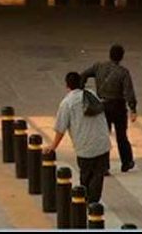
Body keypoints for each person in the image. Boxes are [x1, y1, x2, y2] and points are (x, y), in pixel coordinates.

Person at [44, 72, 111, 203]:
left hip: (85, 147)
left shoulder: (67, 103)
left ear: (67, 85)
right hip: (102, 143)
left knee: (85, 177)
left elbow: (60, 129)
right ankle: (94, 203)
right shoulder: (92, 94)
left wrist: (53, 146)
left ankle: (86, 204)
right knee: (98, 176)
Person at [80, 44, 137, 174]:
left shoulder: (98, 67)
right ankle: (126, 162)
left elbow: (83, 74)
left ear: (109, 54)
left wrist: (81, 88)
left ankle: (104, 166)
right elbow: (129, 92)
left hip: (102, 106)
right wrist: (133, 109)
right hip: (118, 107)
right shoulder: (123, 72)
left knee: (104, 136)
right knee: (121, 135)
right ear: (121, 57)